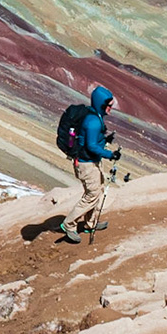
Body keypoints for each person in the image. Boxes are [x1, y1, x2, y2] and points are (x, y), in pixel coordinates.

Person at [61, 86, 122, 241]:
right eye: (108, 105)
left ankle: (90, 224)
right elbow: (91, 146)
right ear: (101, 104)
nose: (111, 108)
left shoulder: (95, 116)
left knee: (97, 191)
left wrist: (105, 141)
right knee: (92, 195)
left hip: (91, 161)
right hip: (86, 164)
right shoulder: (94, 121)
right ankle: (69, 224)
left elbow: (93, 141)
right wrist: (110, 154)